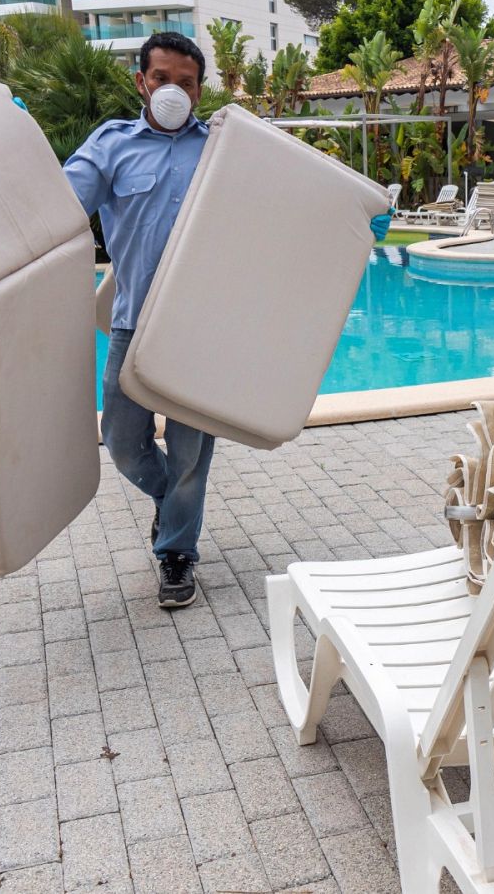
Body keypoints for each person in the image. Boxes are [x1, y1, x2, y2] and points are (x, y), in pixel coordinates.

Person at [64, 32, 391, 608]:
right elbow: (59, 206)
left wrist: (360, 221)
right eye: (161, 78)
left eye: (185, 83)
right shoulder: (112, 146)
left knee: (191, 453)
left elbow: (294, 200)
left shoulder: (226, 149)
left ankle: (176, 554)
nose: (173, 91)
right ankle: (174, 509)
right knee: (120, 441)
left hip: (205, 328)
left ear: (200, 88)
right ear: (141, 81)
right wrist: (18, 157)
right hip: (132, 323)